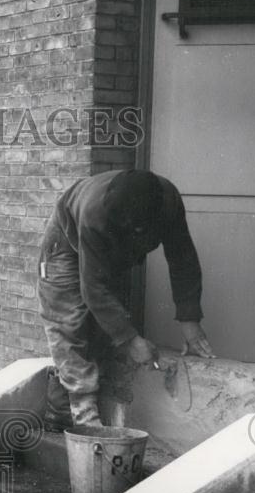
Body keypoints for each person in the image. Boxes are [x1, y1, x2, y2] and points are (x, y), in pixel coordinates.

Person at [37, 168, 214, 429]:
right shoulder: (95, 214)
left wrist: (190, 320)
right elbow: (93, 288)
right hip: (66, 240)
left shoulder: (169, 202)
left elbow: (182, 257)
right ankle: (84, 414)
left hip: (110, 247)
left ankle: (59, 408)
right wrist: (131, 340)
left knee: (102, 323)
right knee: (68, 318)